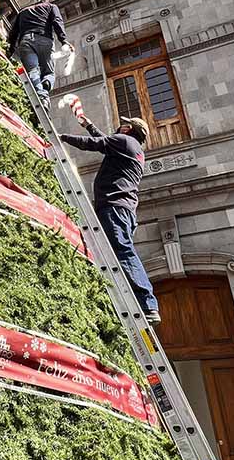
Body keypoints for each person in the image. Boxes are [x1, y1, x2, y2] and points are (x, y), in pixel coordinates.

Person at [59, 115, 160, 324]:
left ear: (128, 129)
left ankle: (148, 304)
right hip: (123, 210)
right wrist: (89, 125)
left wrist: (61, 137)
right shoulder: (132, 147)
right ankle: (136, 302)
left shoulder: (124, 141)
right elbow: (105, 140)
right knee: (118, 252)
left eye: (123, 124)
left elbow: (95, 144)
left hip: (115, 207)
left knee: (122, 251)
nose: (119, 126)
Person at [7, 0, 71, 105]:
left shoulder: (22, 11)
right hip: (44, 40)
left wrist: (11, 49)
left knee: (33, 70)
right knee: (49, 72)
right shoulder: (51, 6)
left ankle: (42, 96)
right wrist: (64, 40)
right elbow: (57, 21)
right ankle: (45, 85)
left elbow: (13, 32)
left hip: (26, 41)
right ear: (44, 1)